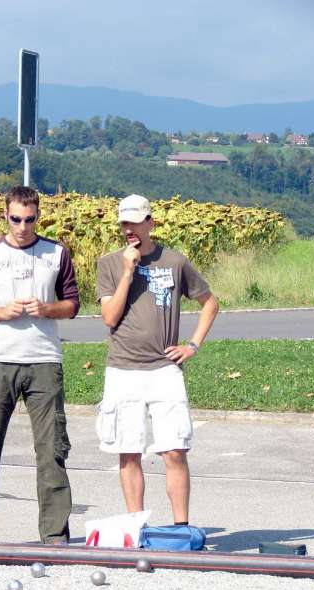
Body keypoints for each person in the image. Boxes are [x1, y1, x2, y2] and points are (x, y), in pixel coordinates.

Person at [0, 186, 79, 544]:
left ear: (38, 216)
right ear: (5, 215)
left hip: (44, 361)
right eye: (15, 219)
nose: (23, 226)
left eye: (29, 219)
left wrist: (47, 308)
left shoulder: (56, 253)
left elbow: (71, 304)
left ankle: (55, 535)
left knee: (52, 451)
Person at [96, 194, 218, 526]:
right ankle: (136, 525)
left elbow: (210, 302)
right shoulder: (109, 263)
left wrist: (192, 345)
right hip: (123, 369)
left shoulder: (174, 262)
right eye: (124, 223)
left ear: (151, 222)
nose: (129, 229)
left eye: (136, 222)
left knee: (175, 449)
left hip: (164, 369)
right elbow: (109, 316)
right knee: (129, 451)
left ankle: (181, 527)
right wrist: (126, 272)